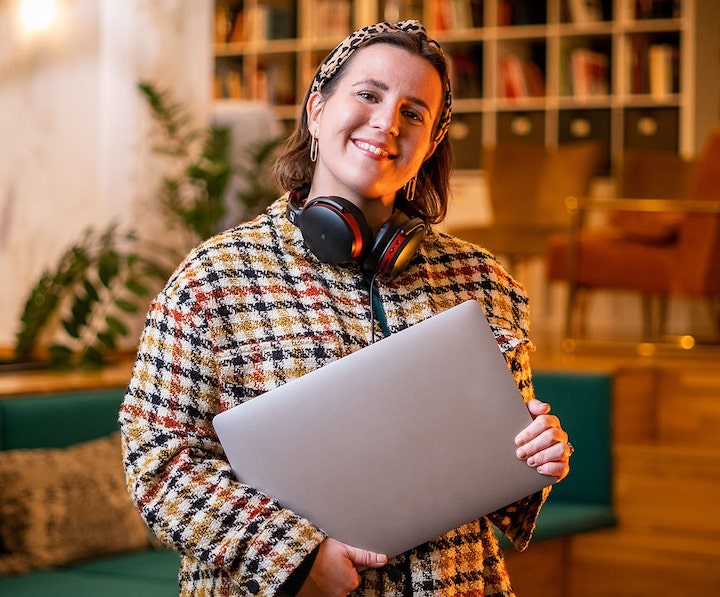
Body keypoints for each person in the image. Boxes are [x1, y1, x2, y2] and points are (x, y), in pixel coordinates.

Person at [120, 20, 572, 597]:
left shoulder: (485, 282)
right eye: (368, 94)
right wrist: (296, 559)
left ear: (430, 143)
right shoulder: (212, 279)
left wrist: (536, 458)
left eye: (414, 112)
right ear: (316, 108)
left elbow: (493, 472)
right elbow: (157, 460)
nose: (387, 123)